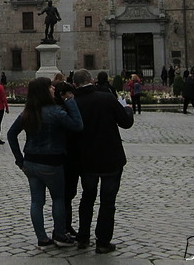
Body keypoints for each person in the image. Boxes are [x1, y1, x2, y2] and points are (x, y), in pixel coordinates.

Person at [7, 77, 83, 248]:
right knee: (58, 198)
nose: (53, 89)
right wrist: (70, 101)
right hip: (52, 162)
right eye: (50, 87)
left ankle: (42, 237)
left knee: (36, 201)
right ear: (43, 91)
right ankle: (60, 235)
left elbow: (11, 135)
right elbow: (77, 125)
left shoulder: (27, 112)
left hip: (31, 162)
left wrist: (20, 160)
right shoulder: (55, 112)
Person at [70, 69, 134, 254]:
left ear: (75, 84)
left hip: (87, 160)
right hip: (110, 159)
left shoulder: (74, 102)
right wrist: (128, 111)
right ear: (91, 80)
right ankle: (103, 241)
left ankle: (83, 237)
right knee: (108, 201)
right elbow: (125, 123)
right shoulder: (106, 98)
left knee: (87, 197)